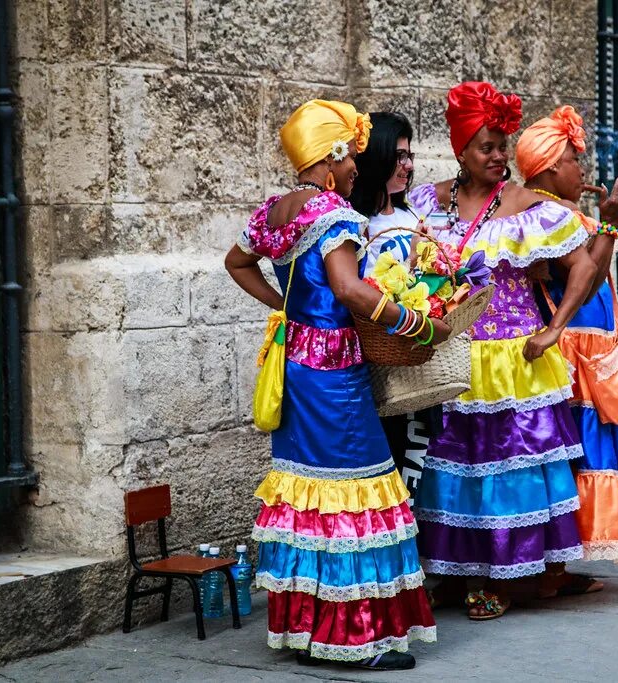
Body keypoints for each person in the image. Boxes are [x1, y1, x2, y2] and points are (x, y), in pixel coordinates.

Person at [224, 99, 450, 670]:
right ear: (331, 158)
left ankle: (307, 629)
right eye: (350, 158)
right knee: (358, 492)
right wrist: (414, 321)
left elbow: (237, 262)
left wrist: (287, 310)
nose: (356, 169)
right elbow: (350, 291)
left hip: (295, 365)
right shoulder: (336, 214)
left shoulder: (273, 211)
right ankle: (355, 640)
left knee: (310, 496)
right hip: (334, 375)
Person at [408, 82, 598, 620]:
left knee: (505, 472)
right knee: (452, 467)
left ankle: (504, 578)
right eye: (486, 146)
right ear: (460, 150)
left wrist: (555, 328)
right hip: (450, 357)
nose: (498, 156)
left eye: (502, 144)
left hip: (514, 361)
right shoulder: (428, 202)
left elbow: (582, 265)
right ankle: (450, 570)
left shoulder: (529, 207)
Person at [516, 105, 618, 578]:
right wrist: (610, 224)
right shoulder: (545, 214)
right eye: (576, 160)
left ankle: (561, 570)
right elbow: (589, 274)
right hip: (575, 353)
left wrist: (601, 222)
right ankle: (553, 573)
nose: (583, 169)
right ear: (553, 167)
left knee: (594, 448)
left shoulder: (565, 211)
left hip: (596, 347)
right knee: (578, 452)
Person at [349, 111, 442, 488]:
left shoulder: (409, 213)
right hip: (384, 365)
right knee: (395, 464)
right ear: (377, 158)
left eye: (409, 156)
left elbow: (428, 278)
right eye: (399, 156)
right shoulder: (358, 223)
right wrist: (412, 259)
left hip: (418, 359)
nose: (407, 165)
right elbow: (366, 291)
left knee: (418, 464)